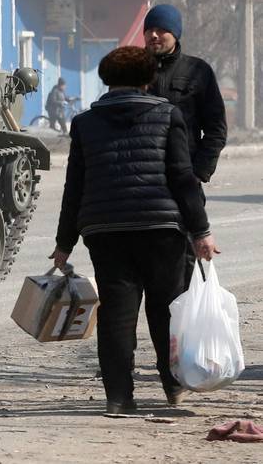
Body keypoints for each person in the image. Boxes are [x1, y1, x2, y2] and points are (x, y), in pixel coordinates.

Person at [52, 45, 219, 415]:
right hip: (161, 229)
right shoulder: (168, 115)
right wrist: (201, 231)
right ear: (148, 79)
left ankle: (119, 398)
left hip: (105, 231)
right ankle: (174, 389)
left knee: (115, 316)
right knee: (166, 312)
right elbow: (182, 178)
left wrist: (64, 243)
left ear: (106, 79)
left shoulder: (84, 123)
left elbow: (74, 187)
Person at [143, 3, 227, 184]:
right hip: (141, 175)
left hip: (184, 176)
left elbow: (216, 129)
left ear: (175, 33)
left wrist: (199, 172)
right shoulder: (131, 69)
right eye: (149, 30)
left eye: (161, 29)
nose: (154, 35)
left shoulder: (197, 70)